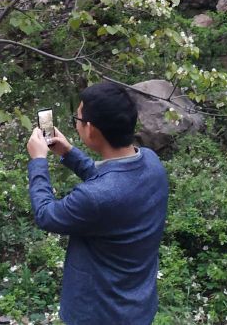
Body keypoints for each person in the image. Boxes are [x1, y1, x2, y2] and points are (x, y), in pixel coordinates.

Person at [26, 81, 169, 325]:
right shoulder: (151, 162)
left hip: (99, 312)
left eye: (78, 119)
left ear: (90, 129)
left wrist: (38, 160)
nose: (76, 123)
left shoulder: (93, 198)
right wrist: (68, 153)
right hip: (138, 306)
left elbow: (45, 214)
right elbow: (113, 184)